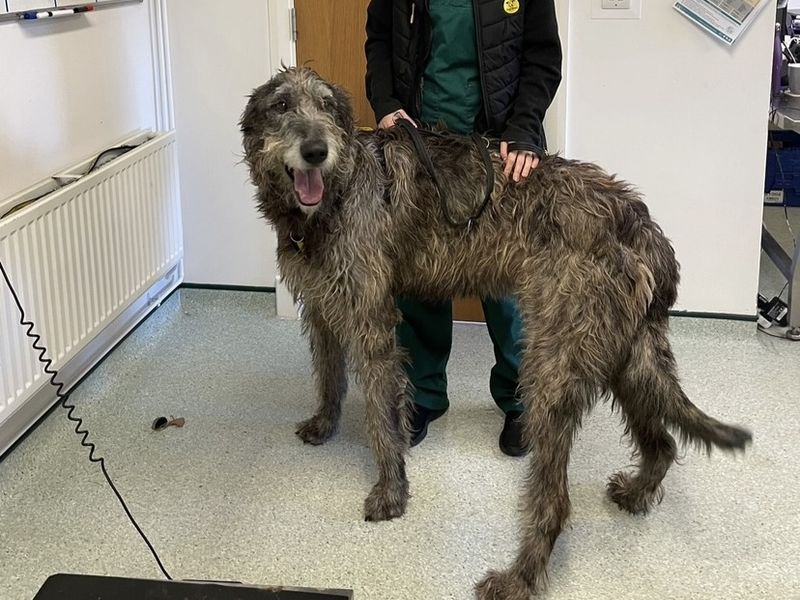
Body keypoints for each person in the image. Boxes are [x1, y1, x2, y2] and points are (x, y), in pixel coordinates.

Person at [364, 0, 562, 456]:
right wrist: (387, 104)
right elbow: (379, 38)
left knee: (507, 284)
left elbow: (542, 56)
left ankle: (522, 401)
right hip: (419, 144)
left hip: (498, 146)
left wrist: (526, 127)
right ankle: (423, 395)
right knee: (417, 276)